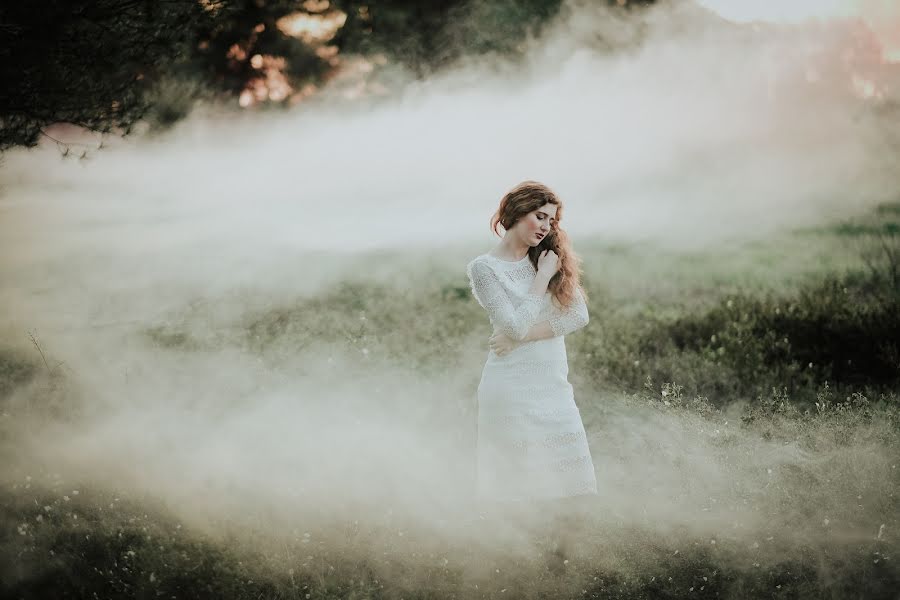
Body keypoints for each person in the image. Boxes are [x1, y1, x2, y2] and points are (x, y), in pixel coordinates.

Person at [465, 181, 598, 566]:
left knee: (570, 484)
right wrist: (540, 279)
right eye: (540, 216)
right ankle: (517, 568)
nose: (545, 227)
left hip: (553, 386)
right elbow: (516, 323)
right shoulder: (485, 269)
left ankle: (559, 567)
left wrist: (521, 339)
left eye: (551, 220)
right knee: (518, 488)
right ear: (516, 211)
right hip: (511, 390)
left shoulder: (550, 258)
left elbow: (578, 316)